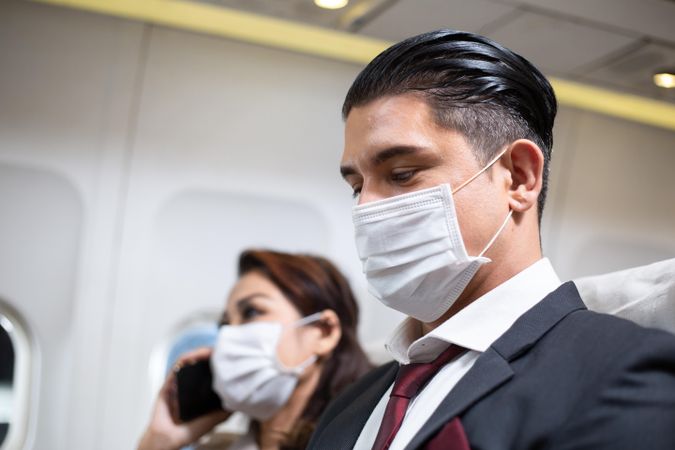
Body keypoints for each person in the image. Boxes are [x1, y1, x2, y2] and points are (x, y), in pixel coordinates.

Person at [308, 29, 675, 449]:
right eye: (357, 186)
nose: (365, 209)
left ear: (519, 177)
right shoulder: (351, 404)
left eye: (402, 174)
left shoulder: (620, 372)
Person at [138, 249, 372, 450]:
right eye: (225, 324)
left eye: (251, 312)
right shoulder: (217, 446)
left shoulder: (367, 440)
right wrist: (160, 440)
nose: (228, 336)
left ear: (323, 332)